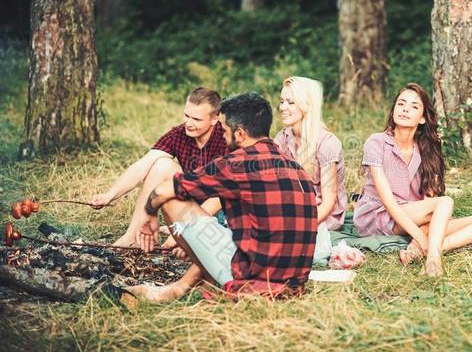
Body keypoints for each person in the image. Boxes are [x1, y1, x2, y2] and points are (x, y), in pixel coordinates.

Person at [128, 92, 318, 302]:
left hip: (251, 284)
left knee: (172, 201)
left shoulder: (237, 162)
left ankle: (202, 287)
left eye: (225, 131)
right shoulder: (297, 169)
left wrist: (148, 214)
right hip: (294, 287)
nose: (223, 136)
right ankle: (188, 284)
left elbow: (164, 190)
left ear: (240, 134)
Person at [353, 83, 472, 276]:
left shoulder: (426, 149)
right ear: (394, 109)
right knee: (445, 203)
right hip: (379, 215)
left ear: (422, 118)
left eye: (414, 106)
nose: (405, 109)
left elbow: (430, 201)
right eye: (401, 104)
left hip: (413, 215)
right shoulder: (377, 142)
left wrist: (416, 243)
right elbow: (390, 204)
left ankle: (426, 251)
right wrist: (421, 237)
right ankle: (434, 259)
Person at [90, 87, 227, 248]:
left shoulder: (227, 138)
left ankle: (185, 234)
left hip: (221, 214)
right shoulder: (179, 133)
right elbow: (144, 164)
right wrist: (109, 195)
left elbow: (222, 194)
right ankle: (133, 235)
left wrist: (186, 229)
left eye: (196, 119)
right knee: (162, 165)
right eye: (186, 115)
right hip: (190, 206)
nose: (188, 123)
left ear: (214, 119)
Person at [274, 76, 347, 262]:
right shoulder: (281, 139)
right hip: (293, 207)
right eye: (282, 101)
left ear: (307, 105)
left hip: (322, 213)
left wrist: (303, 229)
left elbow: (329, 201)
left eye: (291, 102)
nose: (283, 107)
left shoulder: (326, 143)